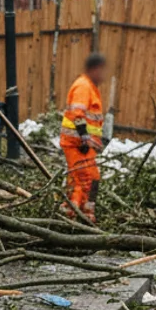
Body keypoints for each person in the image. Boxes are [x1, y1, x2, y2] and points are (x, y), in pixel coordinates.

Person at [60, 53, 107, 223]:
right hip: (77, 144)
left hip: (84, 144)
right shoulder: (83, 87)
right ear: (95, 69)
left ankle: (86, 214)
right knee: (82, 180)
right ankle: (70, 215)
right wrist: (84, 138)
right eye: (102, 70)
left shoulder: (90, 87)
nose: (104, 75)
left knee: (92, 177)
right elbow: (77, 114)